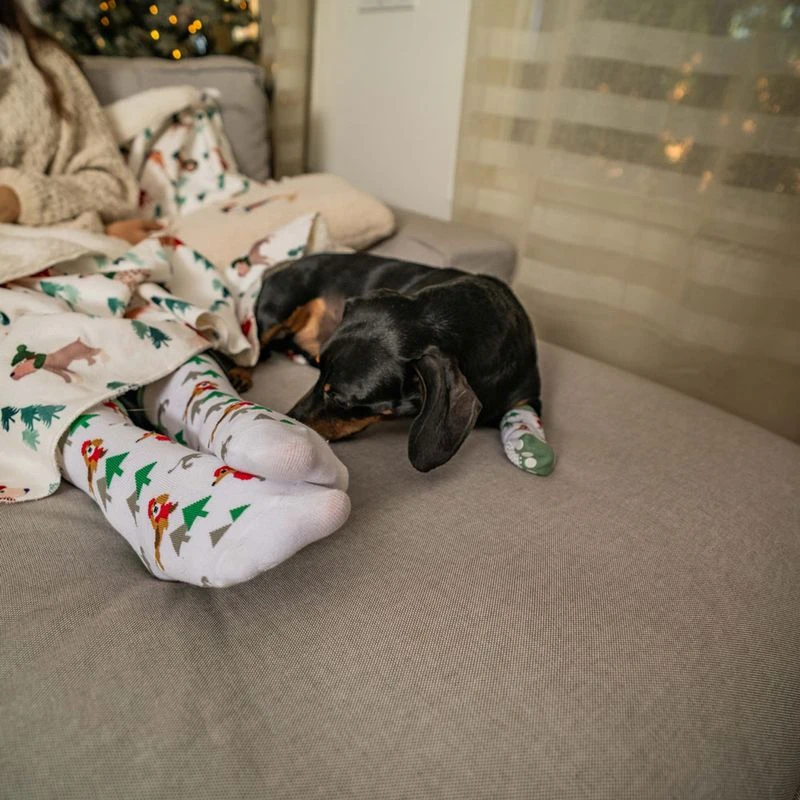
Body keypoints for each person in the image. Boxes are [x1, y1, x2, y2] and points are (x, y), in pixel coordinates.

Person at [0, 1, 350, 587]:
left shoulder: (42, 62)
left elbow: (110, 183)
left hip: (59, 243)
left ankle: (219, 415)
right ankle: (150, 489)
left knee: (133, 299)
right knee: (18, 336)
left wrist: (18, 198)